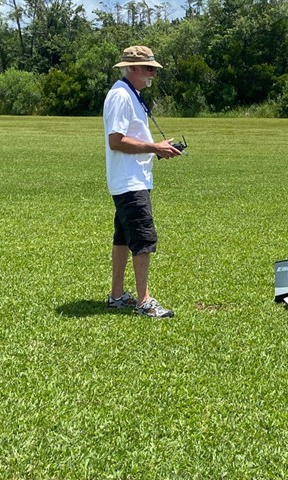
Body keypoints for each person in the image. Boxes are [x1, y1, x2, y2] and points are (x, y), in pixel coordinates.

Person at [103, 45, 181, 318]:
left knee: (123, 237)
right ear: (132, 68)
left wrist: (158, 149)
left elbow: (130, 137)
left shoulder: (130, 94)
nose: (152, 74)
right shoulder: (121, 95)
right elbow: (116, 141)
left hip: (132, 178)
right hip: (129, 181)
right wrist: (154, 147)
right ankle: (144, 301)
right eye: (148, 69)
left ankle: (116, 295)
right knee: (143, 239)